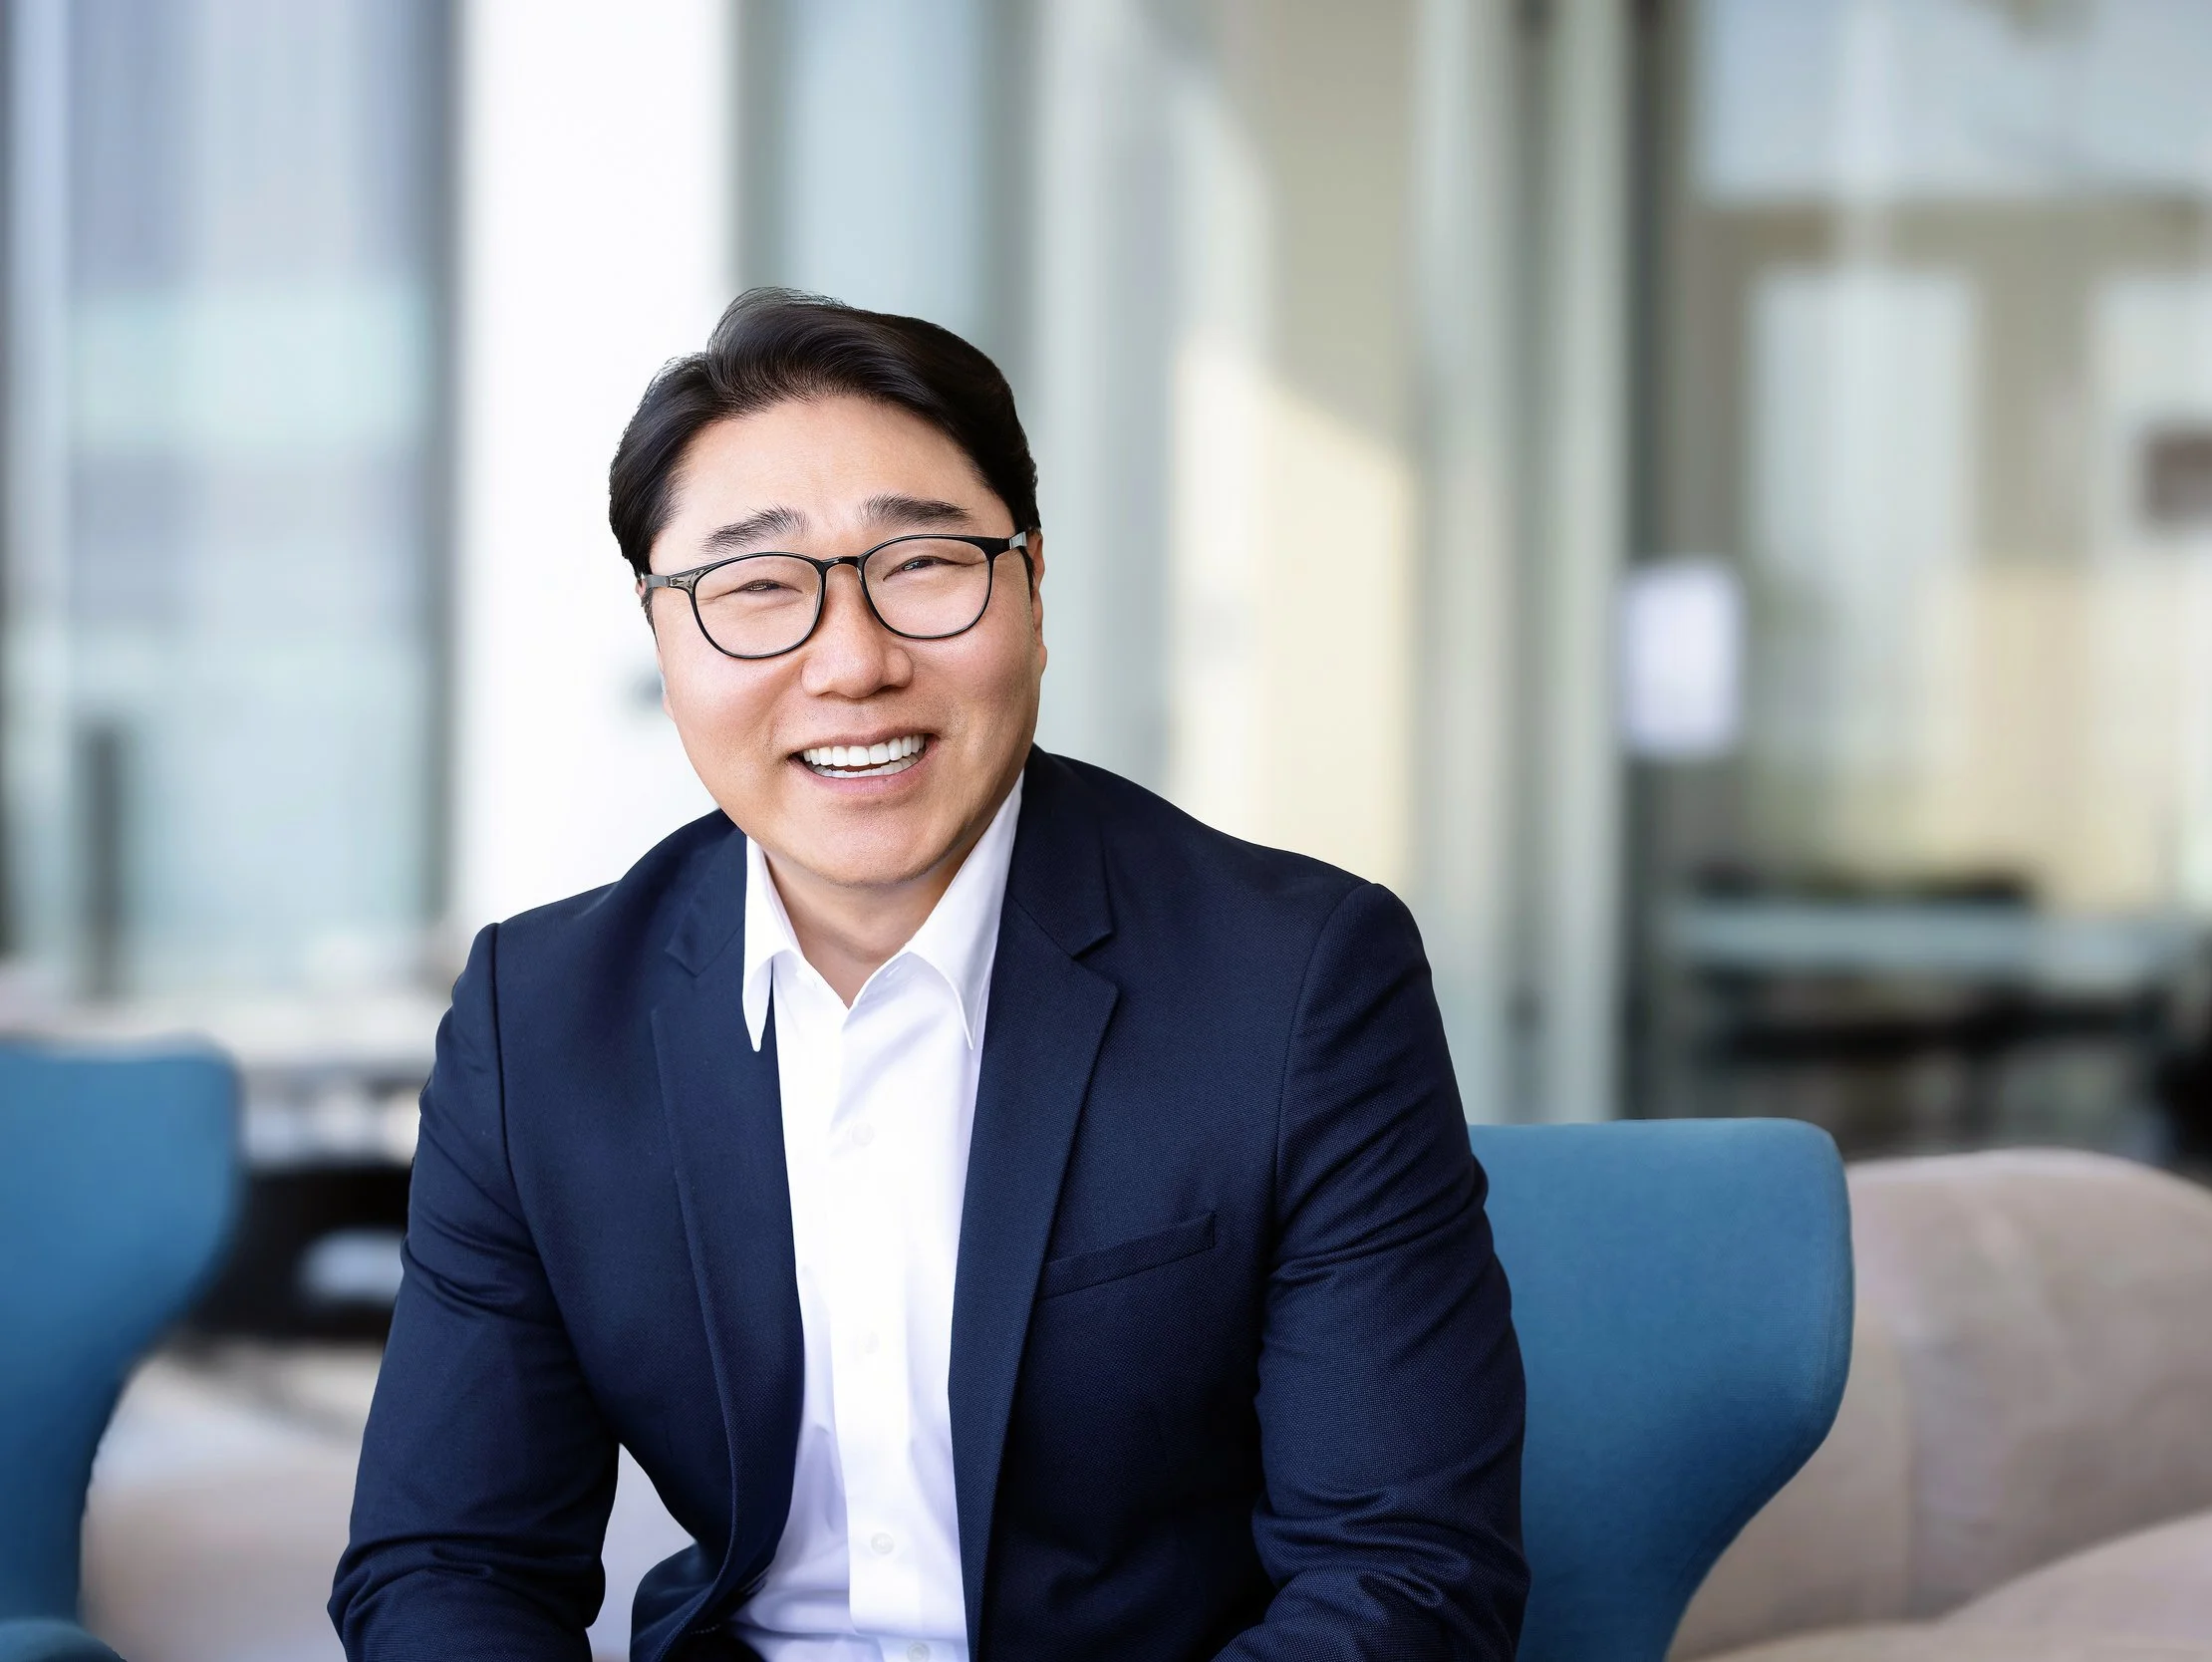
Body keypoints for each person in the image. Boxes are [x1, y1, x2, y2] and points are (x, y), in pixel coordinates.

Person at [330, 290, 1527, 1662]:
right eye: (758, 588)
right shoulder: (539, 1017)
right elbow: (448, 1562)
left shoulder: (1297, 980)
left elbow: (1402, 1574)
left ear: (1032, 589)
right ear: (663, 639)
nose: (853, 664)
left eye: (924, 564)